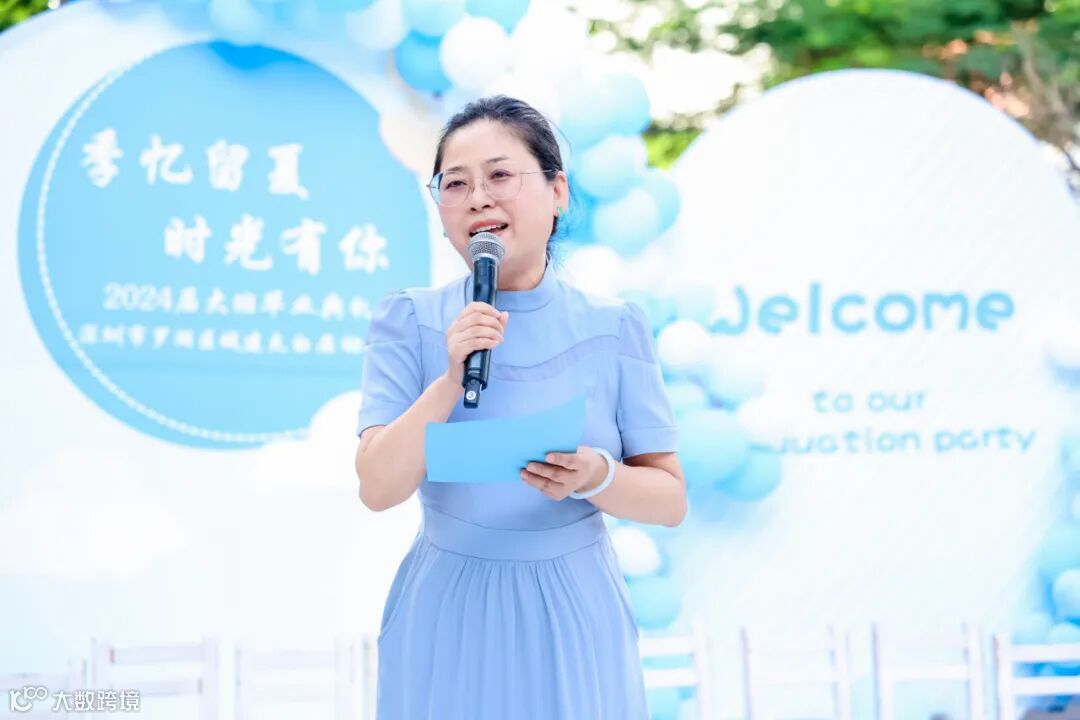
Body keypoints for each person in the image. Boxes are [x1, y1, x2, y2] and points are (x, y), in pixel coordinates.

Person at [353, 95, 686, 719]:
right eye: (456, 183)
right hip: (447, 608)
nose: (478, 199)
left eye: (500, 175)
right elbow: (377, 487)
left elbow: (669, 500)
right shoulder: (409, 319)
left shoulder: (615, 327)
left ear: (558, 191)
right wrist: (449, 379)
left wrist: (598, 476)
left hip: (575, 607)